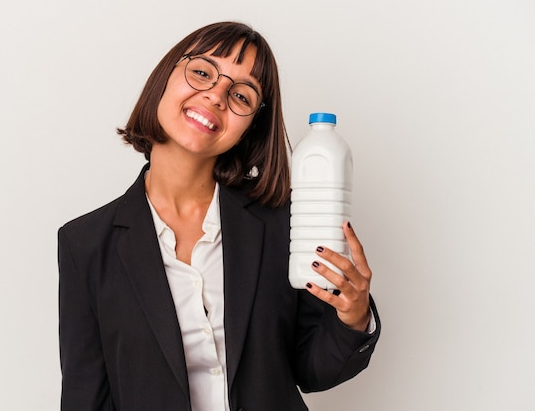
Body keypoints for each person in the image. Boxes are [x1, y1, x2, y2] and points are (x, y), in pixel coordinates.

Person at [58, 21, 380, 411]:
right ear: (165, 77)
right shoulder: (85, 244)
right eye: (202, 73)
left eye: (241, 95)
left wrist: (354, 315)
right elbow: (86, 395)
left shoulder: (282, 223)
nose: (215, 96)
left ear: (250, 126)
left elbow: (311, 370)